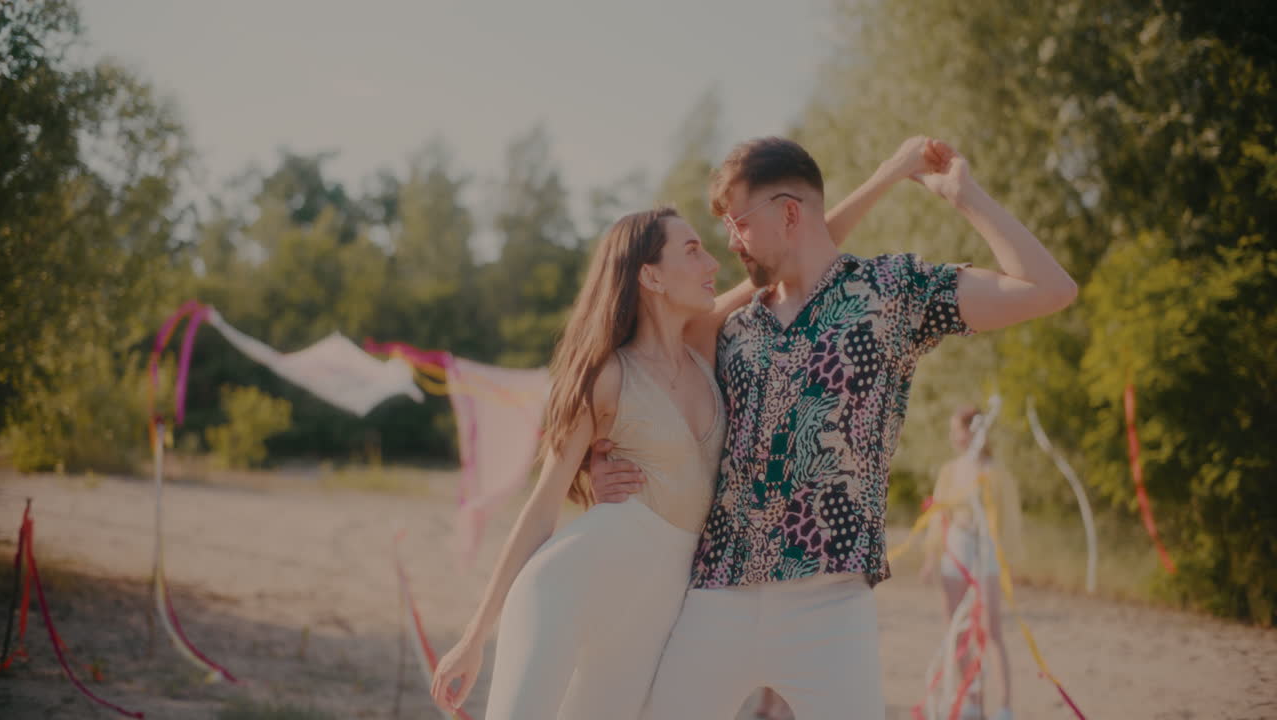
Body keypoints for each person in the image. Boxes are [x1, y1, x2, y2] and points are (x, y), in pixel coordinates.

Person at [430, 139, 928, 719]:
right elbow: (540, 511)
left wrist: (889, 175)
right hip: (569, 587)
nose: (713, 262)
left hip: (658, 608)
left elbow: (807, 248)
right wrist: (473, 637)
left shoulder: (710, 346)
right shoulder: (607, 377)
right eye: (692, 250)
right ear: (652, 276)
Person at [589, 136, 1077, 719]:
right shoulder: (730, 327)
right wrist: (603, 457)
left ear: (789, 213)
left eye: (739, 222)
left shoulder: (895, 291)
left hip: (830, 606)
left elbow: (1051, 289)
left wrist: (965, 196)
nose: (729, 242)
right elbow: (640, 378)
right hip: (718, 593)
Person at [920, 406, 1023, 720]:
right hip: (957, 547)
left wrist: (1006, 563)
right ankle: (972, 697)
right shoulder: (950, 471)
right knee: (956, 627)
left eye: (958, 430)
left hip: (987, 549)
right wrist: (931, 556)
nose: (954, 437)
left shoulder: (997, 473)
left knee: (992, 628)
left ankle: (1004, 706)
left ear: (973, 432)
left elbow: (1009, 521)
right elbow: (939, 515)